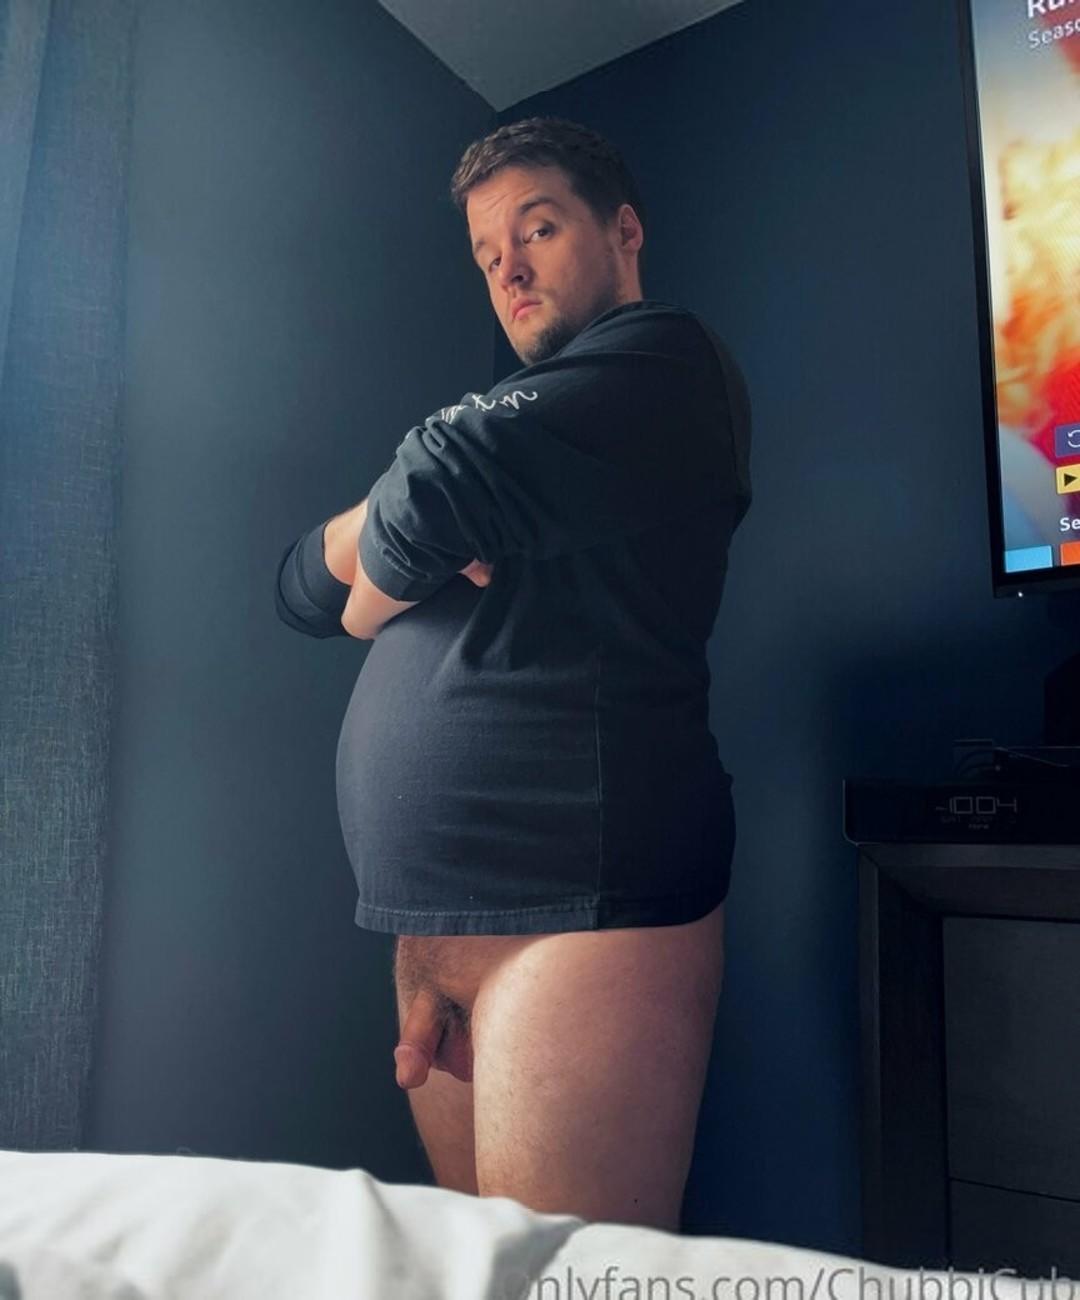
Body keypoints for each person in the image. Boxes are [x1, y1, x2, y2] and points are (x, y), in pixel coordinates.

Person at [274, 116, 752, 1231]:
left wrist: (371, 593)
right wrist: (380, 534)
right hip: (436, 922)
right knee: (481, 1275)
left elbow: (431, 487)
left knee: (570, 1279)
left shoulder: (664, 363)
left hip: (581, 909)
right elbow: (292, 585)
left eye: (537, 230)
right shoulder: (536, 435)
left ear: (623, 230)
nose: (510, 271)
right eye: (488, 255)